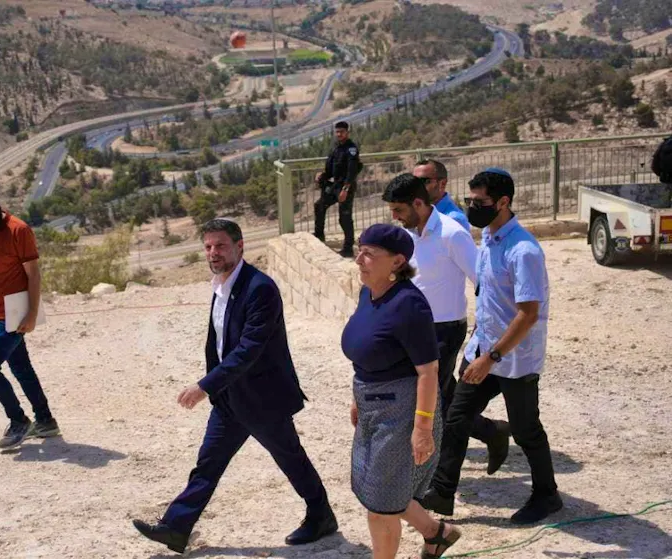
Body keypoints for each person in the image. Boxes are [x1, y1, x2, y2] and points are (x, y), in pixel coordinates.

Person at [133, 218, 337, 554]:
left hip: (262, 398)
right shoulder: (220, 284)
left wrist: (204, 386)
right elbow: (219, 343)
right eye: (208, 246)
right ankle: (176, 527)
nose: (213, 252)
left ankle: (321, 515)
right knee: (208, 463)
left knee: (290, 458)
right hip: (229, 397)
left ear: (240, 247)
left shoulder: (260, 288)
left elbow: (248, 349)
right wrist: (217, 387)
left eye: (221, 246)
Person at [419, 168, 563, 525]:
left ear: (503, 202)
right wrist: (478, 349)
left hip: (513, 359)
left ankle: (547, 495)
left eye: (480, 202)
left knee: (526, 430)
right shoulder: (488, 240)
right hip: (483, 352)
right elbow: (487, 300)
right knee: (456, 419)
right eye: (470, 201)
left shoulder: (524, 251)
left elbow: (528, 314)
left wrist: (493, 356)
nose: (472, 207)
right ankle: (442, 492)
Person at [342, 223, 461, 559]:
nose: (359, 259)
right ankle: (437, 533)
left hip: (401, 411)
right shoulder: (368, 293)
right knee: (378, 487)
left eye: (369, 253)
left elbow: (429, 371)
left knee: (380, 504)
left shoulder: (410, 304)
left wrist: (422, 429)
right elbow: (367, 352)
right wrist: (357, 399)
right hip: (371, 404)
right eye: (359, 251)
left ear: (396, 262)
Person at [383, 174, 511, 475]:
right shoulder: (406, 235)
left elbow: (483, 283)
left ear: (418, 203)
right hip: (411, 329)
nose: (395, 217)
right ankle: (491, 431)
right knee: (444, 398)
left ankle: (432, 475)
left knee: (429, 401)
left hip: (444, 330)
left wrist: (485, 330)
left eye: (399, 210)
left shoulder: (452, 234)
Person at [0, 182, 60, 450]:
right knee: (21, 368)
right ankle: (45, 420)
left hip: (16, 312)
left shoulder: (19, 229)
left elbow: (34, 274)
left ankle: (19, 421)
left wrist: (31, 313)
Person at [314, 121, 361, 256]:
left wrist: (345, 189)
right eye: (337, 131)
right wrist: (322, 175)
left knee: (344, 218)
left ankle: (348, 248)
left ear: (347, 132)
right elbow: (331, 169)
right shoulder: (336, 148)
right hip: (335, 186)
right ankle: (319, 235)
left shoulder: (351, 149)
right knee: (319, 206)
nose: (339, 134)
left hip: (346, 187)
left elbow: (352, 171)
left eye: (342, 132)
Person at [413, 159, 469, 232]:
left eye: (423, 181)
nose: (417, 186)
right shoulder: (417, 214)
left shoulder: (454, 219)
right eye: (414, 181)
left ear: (442, 183)